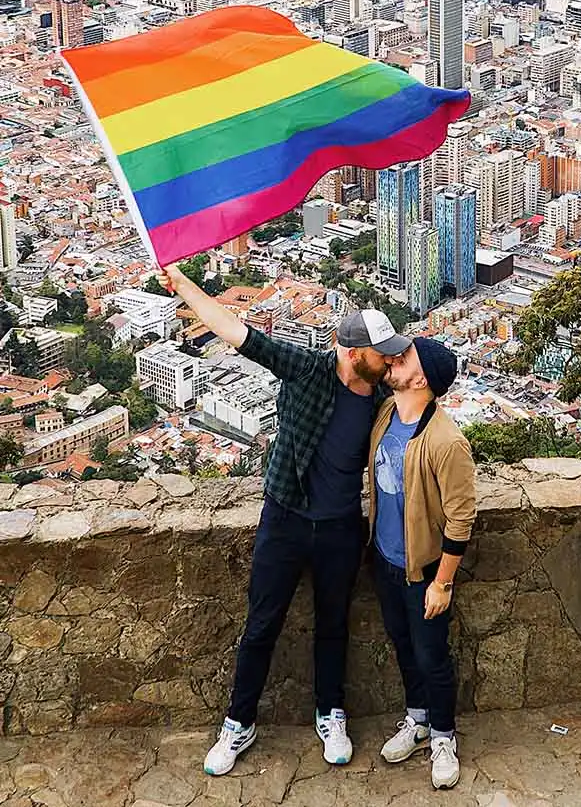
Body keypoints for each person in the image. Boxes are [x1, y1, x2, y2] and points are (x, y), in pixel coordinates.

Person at [157, 263, 411, 777]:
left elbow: (430, 377)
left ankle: (330, 712)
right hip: (286, 517)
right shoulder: (306, 370)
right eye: (379, 354)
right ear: (350, 350)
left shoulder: (384, 399)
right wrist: (185, 286)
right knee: (261, 624)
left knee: (333, 624)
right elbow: (236, 334)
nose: (388, 362)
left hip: (341, 526)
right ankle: (239, 721)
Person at [367, 337, 476, 791]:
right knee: (403, 644)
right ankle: (417, 719)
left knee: (432, 655)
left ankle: (444, 736)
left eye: (404, 356)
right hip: (385, 556)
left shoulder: (446, 440)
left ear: (422, 377)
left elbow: (461, 516)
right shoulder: (387, 414)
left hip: (425, 568)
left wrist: (443, 583)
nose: (393, 360)